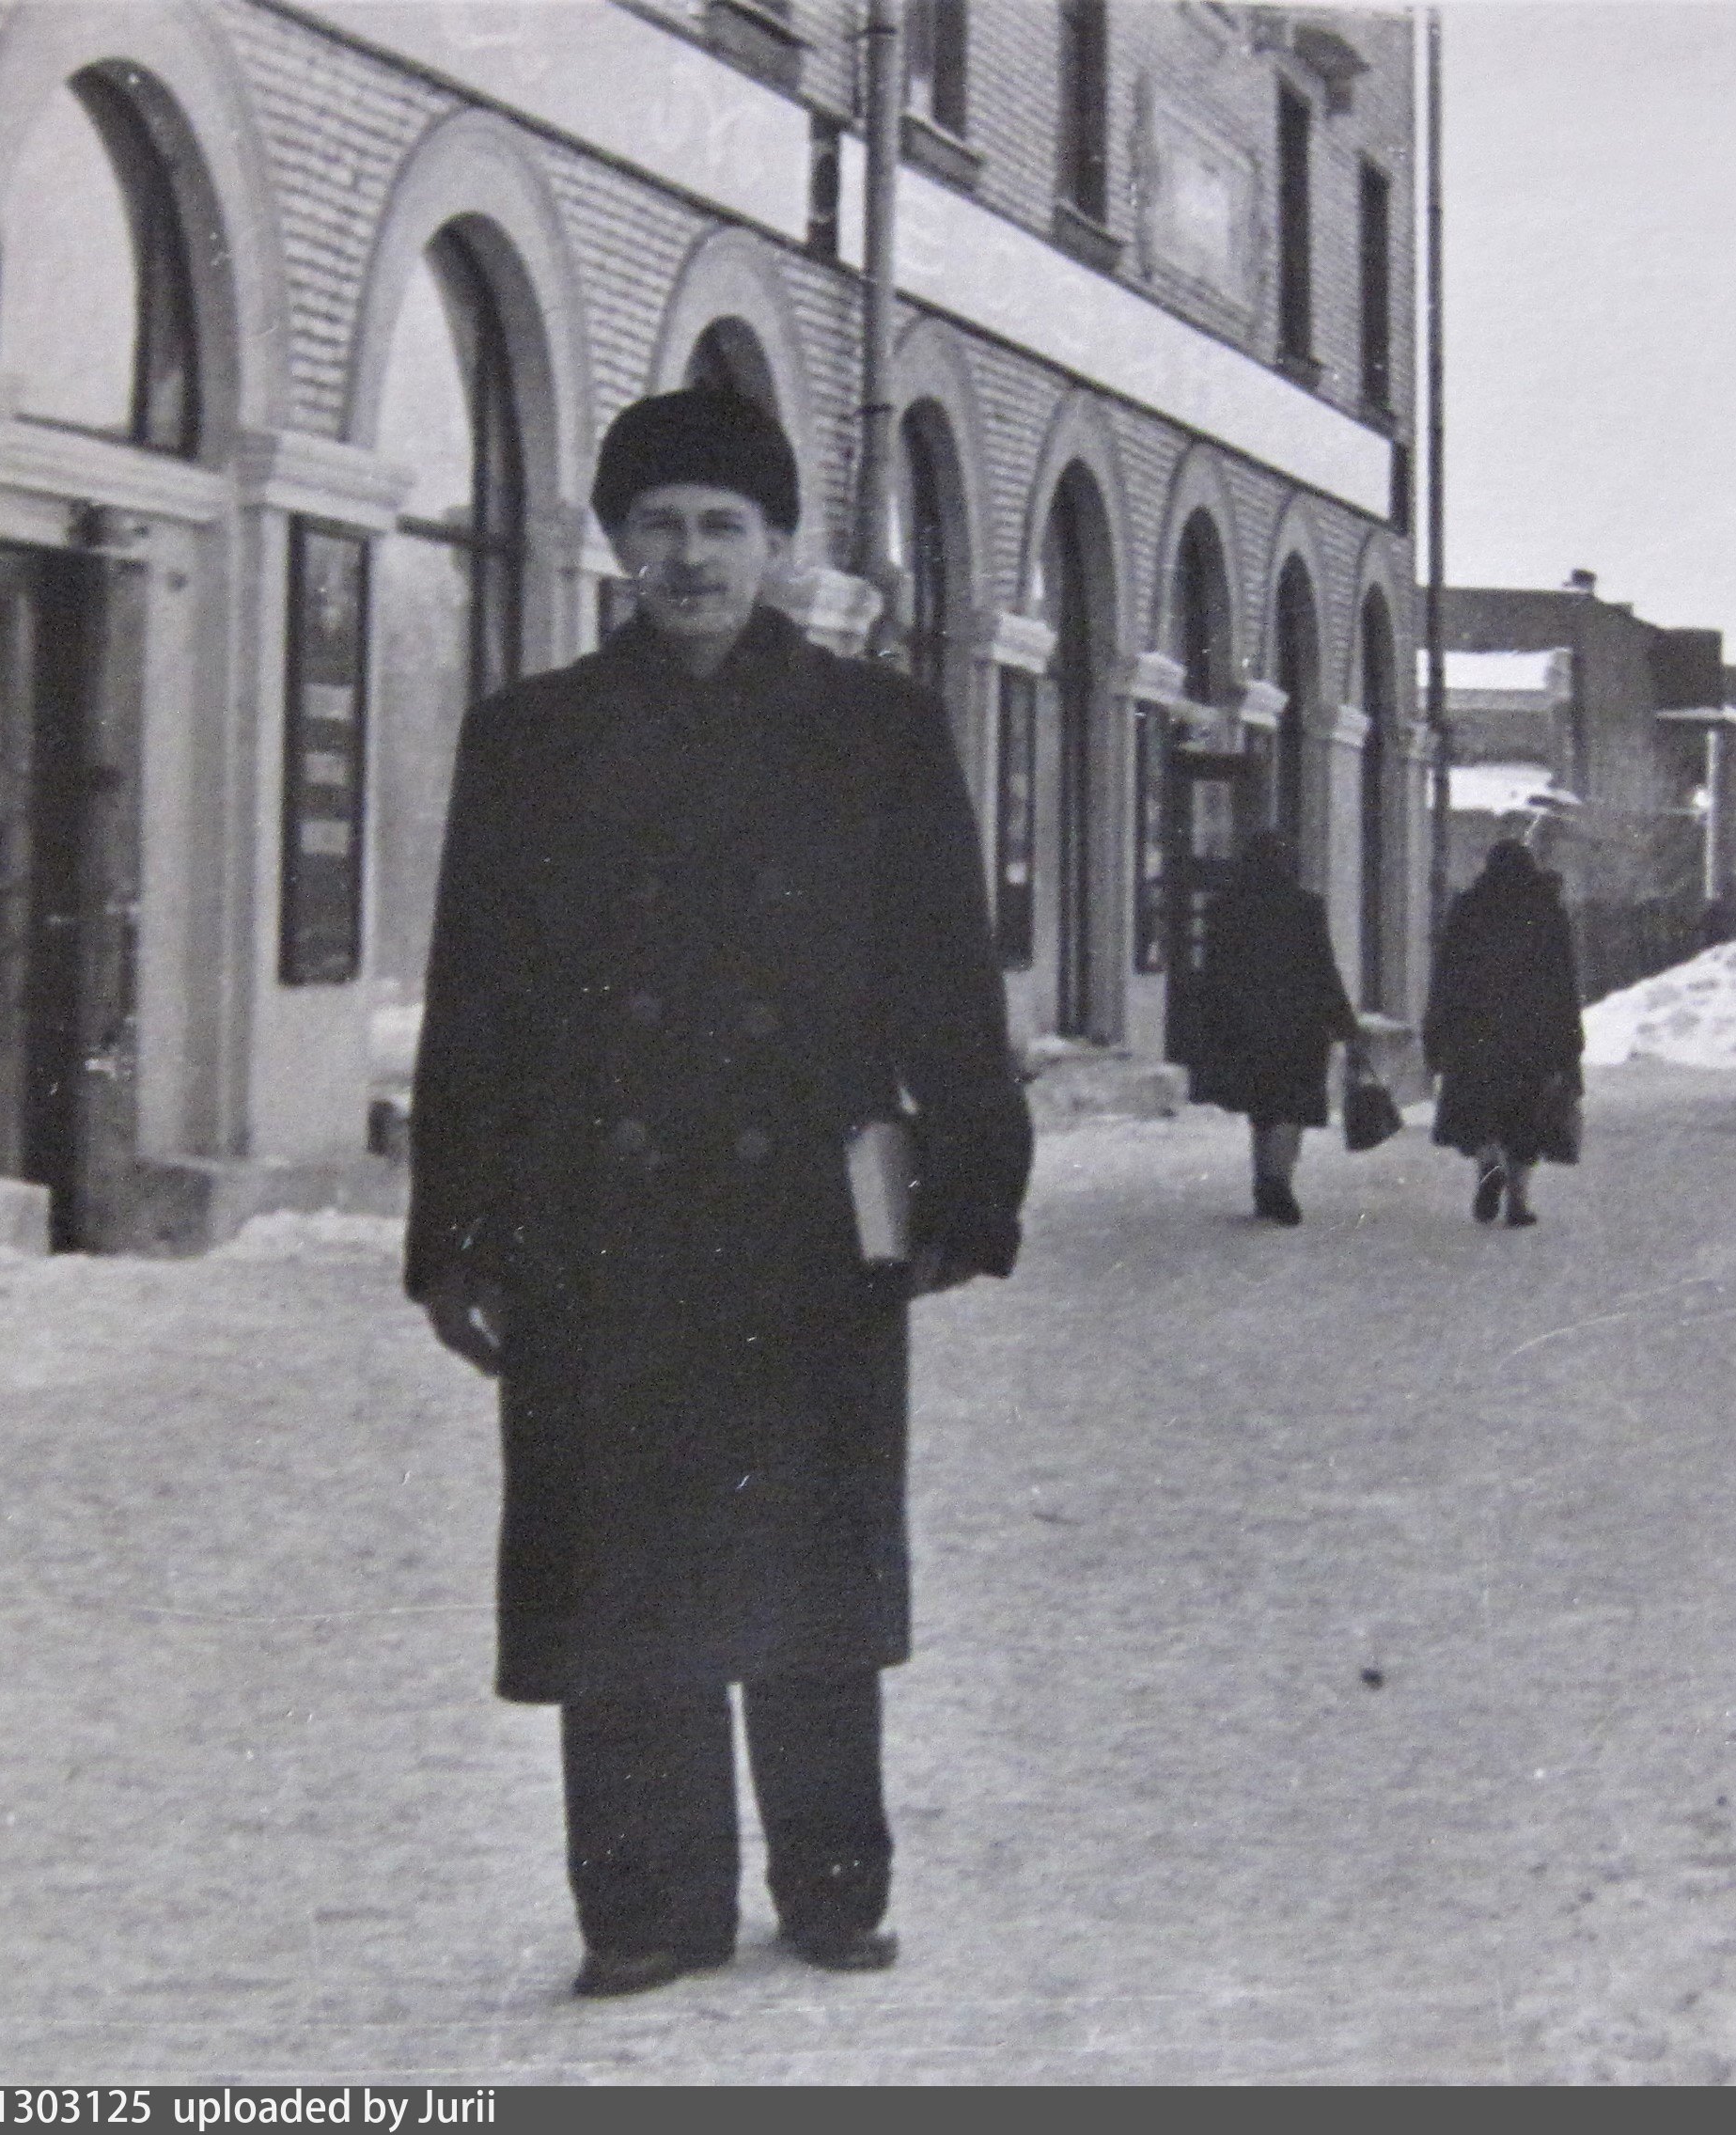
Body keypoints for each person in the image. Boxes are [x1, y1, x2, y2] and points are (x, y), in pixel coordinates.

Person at [405, 387, 1032, 2001]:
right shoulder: (530, 736)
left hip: (807, 1209)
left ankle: (832, 1884)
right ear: (617, 543)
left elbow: (945, 972)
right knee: (623, 1561)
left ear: (776, 549)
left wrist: (974, 1166)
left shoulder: (875, 729)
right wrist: (451, 1232)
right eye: (663, 525)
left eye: (724, 527)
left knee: (812, 1551)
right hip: (590, 1212)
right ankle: (645, 1905)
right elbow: (473, 996)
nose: (691, 557)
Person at [1196, 828, 1360, 1224]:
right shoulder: (1305, 907)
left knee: (1261, 1105)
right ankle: (1278, 1181)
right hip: (1298, 1022)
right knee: (1293, 1105)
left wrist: (1211, 1023)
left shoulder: (1225, 908)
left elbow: (1213, 972)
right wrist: (1342, 1019)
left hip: (1245, 1022)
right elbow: (1323, 966)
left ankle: (1263, 1182)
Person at [1424, 839, 1585, 1227]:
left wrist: (1438, 1030)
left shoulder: (1469, 909)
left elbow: (1446, 974)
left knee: (1483, 1110)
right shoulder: (1547, 912)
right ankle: (1518, 1200)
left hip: (1476, 1031)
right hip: (1533, 1034)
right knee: (1527, 1117)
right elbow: (1564, 980)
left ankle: (1488, 1165)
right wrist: (1569, 1040)